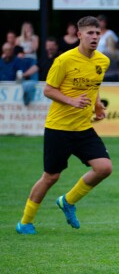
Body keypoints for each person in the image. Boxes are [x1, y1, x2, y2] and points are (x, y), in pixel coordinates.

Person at [15, 16, 112, 235]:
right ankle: (25, 222)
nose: (94, 37)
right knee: (51, 177)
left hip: (83, 128)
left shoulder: (102, 61)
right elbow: (48, 89)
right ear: (79, 35)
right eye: (90, 33)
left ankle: (67, 201)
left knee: (104, 168)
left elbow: (94, 86)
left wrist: (97, 105)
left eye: (97, 33)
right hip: (59, 128)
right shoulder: (64, 60)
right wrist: (72, 101)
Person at [97, 15, 119, 82]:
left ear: (105, 23)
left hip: (108, 58)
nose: (100, 23)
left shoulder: (110, 33)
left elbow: (117, 45)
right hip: (96, 58)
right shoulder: (94, 33)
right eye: (99, 22)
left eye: (102, 22)